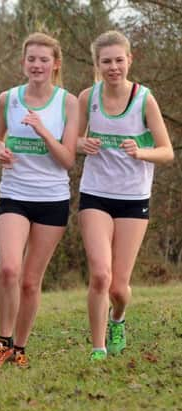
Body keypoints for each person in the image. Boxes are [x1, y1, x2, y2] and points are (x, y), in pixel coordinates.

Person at [0, 33, 78, 370]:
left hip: (52, 198)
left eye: (43, 60)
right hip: (15, 194)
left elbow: (68, 159)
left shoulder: (68, 102)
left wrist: (44, 132)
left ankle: (20, 347)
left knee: (30, 281)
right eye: (31, 59)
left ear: (55, 64)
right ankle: (3, 341)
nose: (37, 65)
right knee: (9, 268)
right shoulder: (7, 99)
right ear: (23, 63)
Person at [78, 31, 174, 361]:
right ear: (97, 65)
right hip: (95, 194)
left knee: (119, 287)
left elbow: (167, 152)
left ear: (130, 60)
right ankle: (98, 347)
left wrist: (141, 152)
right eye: (106, 61)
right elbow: (70, 141)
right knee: (100, 275)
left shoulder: (144, 98)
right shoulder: (87, 98)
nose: (113, 67)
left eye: (119, 60)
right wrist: (80, 144)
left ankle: (117, 318)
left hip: (133, 198)